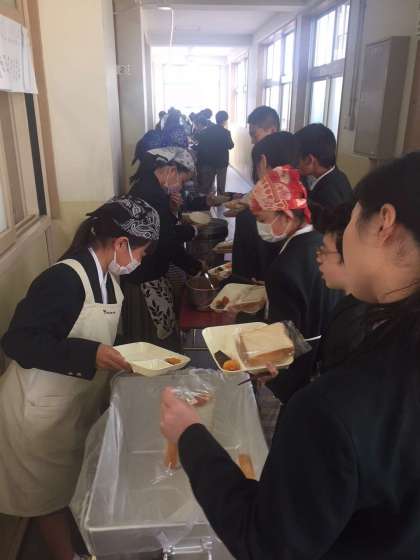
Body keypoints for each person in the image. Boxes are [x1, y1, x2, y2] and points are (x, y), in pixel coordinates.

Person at [161, 152, 420, 559]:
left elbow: (266, 542)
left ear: (384, 223)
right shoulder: (381, 338)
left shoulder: (333, 408)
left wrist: (190, 435)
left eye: (355, 215)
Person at [0, 196, 160, 560]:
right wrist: (90, 355)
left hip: (70, 405)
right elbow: (17, 341)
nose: (141, 260)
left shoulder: (107, 280)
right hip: (36, 411)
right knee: (45, 497)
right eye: (142, 252)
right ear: (122, 243)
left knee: (66, 485)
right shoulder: (63, 280)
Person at [249, 165, 340, 421]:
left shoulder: (284, 268)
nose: (259, 227)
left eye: (262, 220)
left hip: (296, 377)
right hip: (325, 364)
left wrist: (276, 380)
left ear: (287, 216)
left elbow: (287, 339)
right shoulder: (320, 241)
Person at [125, 147, 202, 350]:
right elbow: (166, 240)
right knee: (152, 344)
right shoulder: (152, 195)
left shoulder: (146, 187)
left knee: (152, 339)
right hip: (145, 278)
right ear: (171, 170)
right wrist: (194, 266)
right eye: (182, 181)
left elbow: (164, 229)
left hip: (144, 274)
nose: (180, 187)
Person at [232, 131, 295, 283]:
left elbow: (240, 280)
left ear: (263, 162)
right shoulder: (313, 206)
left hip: (261, 295)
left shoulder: (249, 218)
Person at [314, 203, 369, 375]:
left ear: (351, 256)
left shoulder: (354, 326)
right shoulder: (352, 303)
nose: (319, 259)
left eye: (325, 251)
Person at [294, 123, 353, 217]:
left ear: (309, 160)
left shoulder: (326, 195)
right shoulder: (339, 176)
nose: (294, 163)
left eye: (296, 158)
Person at [196, 110, 234, 195]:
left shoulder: (206, 131)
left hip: (208, 162)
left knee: (206, 186)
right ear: (225, 120)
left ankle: (206, 201)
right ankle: (219, 200)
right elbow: (231, 145)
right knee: (221, 187)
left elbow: (200, 143)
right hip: (221, 162)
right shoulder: (226, 132)